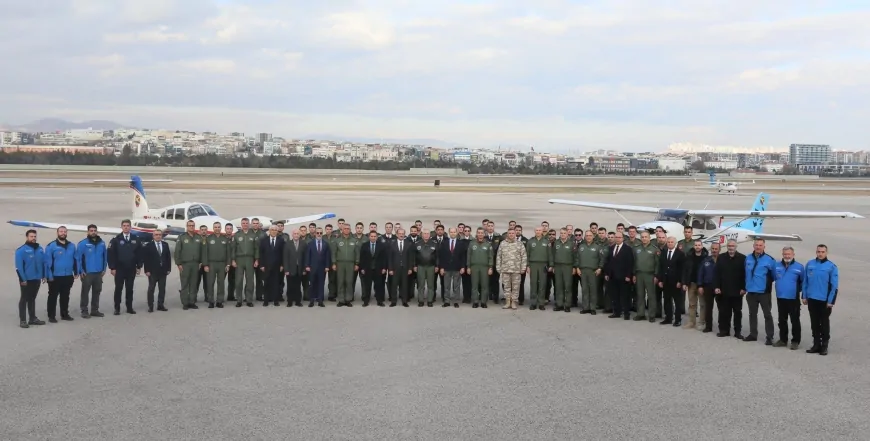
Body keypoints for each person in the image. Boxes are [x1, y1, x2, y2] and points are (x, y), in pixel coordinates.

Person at [803, 244, 838, 356]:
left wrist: (831, 301)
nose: (820, 254)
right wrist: (804, 296)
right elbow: (805, 281)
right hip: (812, 299)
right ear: (816, 252)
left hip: (824, 300)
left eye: (823, 252)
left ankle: (824, 346)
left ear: (826, 253)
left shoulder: (831, 266)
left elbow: (834, 286)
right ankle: (816, 344)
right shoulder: (810, 264)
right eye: (818, 251)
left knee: (824, 323)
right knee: (814, 323)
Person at [744, 239, 777, 345]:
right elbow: (745, 273)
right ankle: (753, 334)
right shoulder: (748, 258)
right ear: (753, 246)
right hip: (751, 292)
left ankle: (769, 336)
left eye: (760, 245)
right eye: (756, 245)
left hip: (764, 293)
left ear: (764, 247)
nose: (758, 247)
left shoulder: (770, 260)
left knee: (767, 314)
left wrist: (767, 286)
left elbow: (774, 276)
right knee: (752, 314)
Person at [107, 219, 143, 315]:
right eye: (124, 225)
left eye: (128, 225)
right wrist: (112, 267)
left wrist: (139, 266)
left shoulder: (136, 239)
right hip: (119, 269)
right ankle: (117, 308)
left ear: (130, 227)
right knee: (118, 288)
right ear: (121, 227)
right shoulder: (116, 240)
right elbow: (111, 254)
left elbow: (140, 253)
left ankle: (129, 307)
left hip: (131, 268)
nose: (126, 227)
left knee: (130, 289)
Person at [714, 239, 746, 338]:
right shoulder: (721, 257)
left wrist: (743, 288)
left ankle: (737, 332)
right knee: (724, 312)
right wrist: (717, 286)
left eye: (732, 246)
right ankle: (724, 330)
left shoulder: (742, 258)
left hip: (737, 291)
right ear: (727, 246)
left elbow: (745, 275)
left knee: (737, 312)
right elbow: (717, 273)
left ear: (736, 247)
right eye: (729, 246)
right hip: (724, 290)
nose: (731, 248)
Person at [773, 246, 804, 350]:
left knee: (794, 320)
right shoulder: (776, 265)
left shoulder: (799, 267)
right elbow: (773, 278)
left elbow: (802, 282)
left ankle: (795, 341)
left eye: (789, 254)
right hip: (780, 297)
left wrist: (796, 291)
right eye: (785, 254)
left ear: (793, 255)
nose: (787, 256)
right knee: (782, 320)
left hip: (793, 298)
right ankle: (783, 340)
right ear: (782, 254)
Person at [44, 226, 77, 323]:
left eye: (64, 231)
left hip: (68, 276)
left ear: (67, 233)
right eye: (61, 231)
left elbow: (75, 259)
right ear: (57, 233)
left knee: (65, 296)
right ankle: (51, 316)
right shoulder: (51, 246)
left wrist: (76, 271)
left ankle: (64, 314)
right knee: (53, 296)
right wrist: (49, 276)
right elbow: (47, 263)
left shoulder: (71, 245)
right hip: (55, 276)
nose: (63, 233)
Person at [16, 229, 46, 328]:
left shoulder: (40, 249)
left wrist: (43, 275)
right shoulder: (21, 250)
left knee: (32, 298)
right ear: (27, 237)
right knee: (24, 299)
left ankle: (32, 318)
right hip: (26, 279)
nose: (33, 238)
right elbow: (19, 267)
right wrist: (23, 279)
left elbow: (43, 263)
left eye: (34, 236)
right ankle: (23, 320)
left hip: (36, 278)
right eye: (31, 236)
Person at [76, 224, 107, 318]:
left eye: (95, 230)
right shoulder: (82, 244)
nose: (93, 232)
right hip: (87, 272)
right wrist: (81, 270)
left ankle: (95, 310)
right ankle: (84, 310)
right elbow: (78, 259)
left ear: (97, 232)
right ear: (88, 232)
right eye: (91, 230)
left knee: (97, 291)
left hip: (98, 272)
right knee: (85, 292)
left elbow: (105, 257)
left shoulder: (102, 243)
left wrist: (104, 269)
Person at [175, 220, 206, 310]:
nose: (191, 227)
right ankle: (185, 302)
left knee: (193, 284)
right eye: (190, 225)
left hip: (195, 264)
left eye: (193, 225)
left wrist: (201, 262)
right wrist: (178, 263)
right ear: (187, 226)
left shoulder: (198, 237)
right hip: (185, 264)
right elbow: (177, 251)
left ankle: (192, 302)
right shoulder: (182, 237)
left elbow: (202, 251)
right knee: (185, 284)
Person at [605, 232, 635, 319]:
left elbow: (630, 263)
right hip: (613, 276)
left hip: (623, 277)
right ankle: (616, 312)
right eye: (616, 237)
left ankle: (626, 313)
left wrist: (628, 276)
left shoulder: (627, 249)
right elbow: (608, 262)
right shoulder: (611, 248)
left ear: (623, 238)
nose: (617, 239)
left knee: (624, 296)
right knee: (615, 295)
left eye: (619, 237)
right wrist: (607, 273)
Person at [657, 237, 685, 326]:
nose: (669, 243)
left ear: (675, 243)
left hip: (676, 282)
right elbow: (661, 267)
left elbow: (682, 269)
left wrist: (680, 281)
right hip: (666, 281)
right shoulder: (664, 252)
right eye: (668, 242)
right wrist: (660, 280)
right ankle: (668, 318)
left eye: (671, 242)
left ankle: (678, 319)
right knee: (667, 301)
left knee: (677, 302)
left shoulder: (680, 254)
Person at [231, 218, 259, 307]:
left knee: (250, 280)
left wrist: (256, 259)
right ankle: (239, 299)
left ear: (249, 224)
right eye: (243, 223)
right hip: (239, 259)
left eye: (247, 223)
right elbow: (233, 249)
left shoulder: (253, 235)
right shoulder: (237, 235)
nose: (245, 224)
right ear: (241, 224)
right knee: (239, 280)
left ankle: (249, 299)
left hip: (250, 259)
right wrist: (233, 260)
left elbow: (256, 248)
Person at [496, 229, 527, 310]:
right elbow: (499, 256)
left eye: (513, 233)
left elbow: (523, 256)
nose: (511, 234)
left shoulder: (520, 244)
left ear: (515, 234)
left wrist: (523, 267)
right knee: (506, 287)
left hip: (516, 269)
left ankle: (514, 302)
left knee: (516, 287)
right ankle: (507, 302)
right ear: (507, 234)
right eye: (509, 233)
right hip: (505, 269)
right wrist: (498, 267)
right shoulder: (502, 243)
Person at [632, 230, 659, 322]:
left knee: (651, 296)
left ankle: (652, 315)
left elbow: (657, 264)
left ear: (649, 238)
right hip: (639, 274)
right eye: (642, 237)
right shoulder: (636, 248)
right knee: (640, 295)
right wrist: (634, 274)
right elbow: (634, 263)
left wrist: (656, 275)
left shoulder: (654, 249)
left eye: (646, 237)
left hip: (650, 275)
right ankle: (641, 314)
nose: (644, 238)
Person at [142, 230, 172, 312]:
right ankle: (150, 306)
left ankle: (160, 305)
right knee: (151, 289)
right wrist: (146, 270)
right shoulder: (148, 246)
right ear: (153, 236)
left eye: (160, 235)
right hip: (152, 271)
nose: (158, 236)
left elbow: (168, 257)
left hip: (163, 271)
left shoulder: (165, 245)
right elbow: (146, 259)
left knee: (162, 289)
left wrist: (169, 269)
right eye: (156, 235)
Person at [681, 240, 708, 329]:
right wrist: (684, 283)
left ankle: (702, 322)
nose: (697, 247)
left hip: (702, 285)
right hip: (691, 284)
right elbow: (684, 270)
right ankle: (691, 322)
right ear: (694, 246)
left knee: (703, 304)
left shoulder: (706, 257)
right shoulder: (689, 257)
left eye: (699, 245)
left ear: (702, 246)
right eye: (696, 245)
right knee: (692, 304)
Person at [575, 230, 603, 315]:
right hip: (583, 271)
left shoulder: (597, 247)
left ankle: (592, 308)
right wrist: (577, 268)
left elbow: (602, 259)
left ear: (593, 236)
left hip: (593, 271)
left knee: (593, 290)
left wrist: (600, 268)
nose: (588, 237)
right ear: (584, 236)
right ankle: (585, 307)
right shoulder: (581, 246)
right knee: (585, 290)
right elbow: (577, 258)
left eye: (590, 235)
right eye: (587, 235)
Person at [332, 224, 360, 307]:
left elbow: (357, 253)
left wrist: (357, 263)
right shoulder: (337, 240)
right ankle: (341, 299)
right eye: (345, 229)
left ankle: (348, 299)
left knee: (349, 281)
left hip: (350, 264)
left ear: (350, 230)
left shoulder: (354, 240)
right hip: (340, 263)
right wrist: (334, 263)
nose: (346, 230)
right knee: (340, 281)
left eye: (348, 229)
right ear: (342, 230)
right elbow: (334, 253)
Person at [357, 230, 388, 307]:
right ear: (369, 237)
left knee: (378, 286)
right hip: (367, 269)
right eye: (372, 236)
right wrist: (362, 268)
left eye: (375, 236)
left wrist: (384, 268)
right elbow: (362, 258)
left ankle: (379, 301)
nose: (373, 238)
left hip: (378, 269)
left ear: (377, 237)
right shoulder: (364, 245)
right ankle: (366, 301)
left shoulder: (381, 246)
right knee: (367, 286)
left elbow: (384, 258)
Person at [205, 222, 231, 308]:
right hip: (211, 264)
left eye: (218, 227)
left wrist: (228, 264)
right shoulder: (208, 239)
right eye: (215, 227)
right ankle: (211, 301)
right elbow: (205, 253)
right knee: (210, 283)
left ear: (221, 228)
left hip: (222, 264)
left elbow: (228, 253)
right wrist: (205, 265)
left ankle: (219, 301)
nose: (217, 228)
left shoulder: (225, 239)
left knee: (221, 283)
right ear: (213, 228)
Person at [439, 227, 466, 308]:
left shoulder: (461, 243)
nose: (453, 233)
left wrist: (462, 267)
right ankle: (446, 301)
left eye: (454, 232)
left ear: (457, 232)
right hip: (447, 268)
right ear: (449, 233)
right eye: (451, 232)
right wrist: (442, 267)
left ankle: (456, 301)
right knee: (446, 286)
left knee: (456, 286)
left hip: (457, 268)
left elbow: (463, 256)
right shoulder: (444, 242)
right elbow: (441, 256)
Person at [526, 226, 551, 311]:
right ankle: (533, 303)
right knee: (533, 284)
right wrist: (527, 266)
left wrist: (550, 265)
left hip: (543, 265)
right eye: (536, 230)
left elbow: (550, 254)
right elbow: (527, 254)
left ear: (542, 231)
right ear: (534, 231)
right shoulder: (530, 241)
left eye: (539, 230)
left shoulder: (547, 241)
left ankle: (541, 303)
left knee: (542, 284)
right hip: (533, 264)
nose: (538, 231)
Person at [466, 227, 493, 308]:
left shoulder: (488, 244)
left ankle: (483, 302)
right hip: (474, 267)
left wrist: (490, 267)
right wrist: (468, 267)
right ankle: (475, 301)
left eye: (482, 233)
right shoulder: (472, 243)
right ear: (476, 234)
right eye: (479, 233)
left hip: (484, 268)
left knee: (484, 285)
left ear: (484, 234)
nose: (480, 234)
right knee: (474, 285)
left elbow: (490, 257)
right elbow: (469, 255)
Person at [696, 242, 720, 333]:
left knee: (721, 308)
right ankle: (708, 326)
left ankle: (722, 327)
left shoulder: (722, 260)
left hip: (719, 287)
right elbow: (700, 274)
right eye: (713, 249)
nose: (714, 250)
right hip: (707, 286)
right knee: (708, 308)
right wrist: (700, 285)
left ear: (719, 250)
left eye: (716, 249)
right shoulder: (706, 260)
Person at [304, 227, 331, 307]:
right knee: (312, 284)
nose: (319, 234)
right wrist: (307, 265)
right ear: (315, 234)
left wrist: (327, 266)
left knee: (321, 284)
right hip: (312, 267)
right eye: (317, 233)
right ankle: (311, 300)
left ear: (322, 234)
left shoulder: (326, 244)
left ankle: (320, 300)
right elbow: (307, 255)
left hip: (322, 268)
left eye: (320, 233)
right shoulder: (310, 243)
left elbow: (327, 256)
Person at [387, 228, 415, 307]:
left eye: (403, 233)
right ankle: (393, 301)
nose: (401, 235)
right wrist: (390, 269)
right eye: (400, 233)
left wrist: (410, 268)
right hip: (395, 268)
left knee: (405, 285)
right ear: (396, 234)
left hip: (405, 268)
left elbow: (410, 257)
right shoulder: (392, 244)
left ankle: (404, 301)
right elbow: (390, 258)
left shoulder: (408, 244)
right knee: (394, 285)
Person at [259, 225, 285, 307]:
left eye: (275, 230)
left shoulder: (281, 241)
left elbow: (283, 254)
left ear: (277, 231)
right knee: (266, 283)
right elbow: (261, 253)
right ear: (269, 231)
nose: (274, 231)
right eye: (272, 230)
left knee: (276, 283)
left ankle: (276, 300)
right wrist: (262, 265)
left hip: (277, 266)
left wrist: (282, 265)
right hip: (266, 266)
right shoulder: (264, 241)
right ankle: (266, 300)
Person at [551, 228, 575, 312]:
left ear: (567, 234)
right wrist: (553, 266)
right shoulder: (556, 243)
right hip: (558, 266)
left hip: (568, 266)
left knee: (567, 286)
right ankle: (559, 304)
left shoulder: (571, 243)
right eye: (561, 233)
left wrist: (574, 267)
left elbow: (575, 256)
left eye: (564, 233)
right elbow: (553, 255)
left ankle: (567, 304)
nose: (563, 234)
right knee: (559, 286)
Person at [414, 229, 439, 307]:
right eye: (424, 233)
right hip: (420, 266)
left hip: (431, 266)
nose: (426, 235)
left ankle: (430, 300)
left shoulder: (434, 243)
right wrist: (414, 265)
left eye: (427, 233)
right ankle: (421, 300)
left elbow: (437, 256)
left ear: (430, 235)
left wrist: (437, 266)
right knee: (421, 285)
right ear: (422, 235)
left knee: (430, 285)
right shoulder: (417, 243)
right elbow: (414, 256)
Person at [283, 229, 306, 307]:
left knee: (298, 285)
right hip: (290, 269)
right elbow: (285, 258)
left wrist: (304, 269)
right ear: (292, 235)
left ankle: (298, 301)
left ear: (299, 235)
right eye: (295, 234)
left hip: (299, 269)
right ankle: (289, 301)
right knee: (290, 285)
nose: (296, 235)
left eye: (297, 234)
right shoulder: (287, 244)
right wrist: (286, 269)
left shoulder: (303, 244)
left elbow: (304, 258)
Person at [224, 223, 237, 302]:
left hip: (233, 262)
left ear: (232, 230)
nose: (229, 230)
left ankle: (230, 296)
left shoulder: (234, 239)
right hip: (224, 263)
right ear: (225, 229)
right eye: (227, 228)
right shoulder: (222, 238)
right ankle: (220, 296)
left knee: (232, 280)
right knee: (221, 279)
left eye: (230, 229)